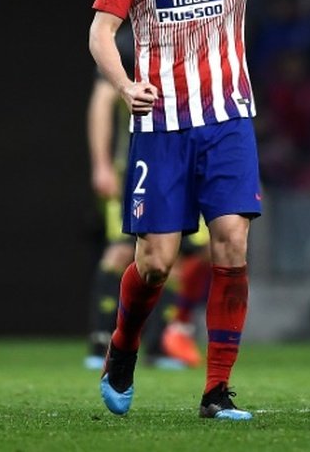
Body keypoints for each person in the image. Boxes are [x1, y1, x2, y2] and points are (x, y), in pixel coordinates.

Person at [89, 0, 310, 420]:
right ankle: (123, 347)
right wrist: (125, 85)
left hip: (226, 121)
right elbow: (101, 33)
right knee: (154, 263)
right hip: (161, 125)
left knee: (231, 244)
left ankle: (216, 392)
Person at [84, 19, 210, 371]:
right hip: (138, 166)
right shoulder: (128, 42)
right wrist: (102, 165)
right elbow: (101, 101)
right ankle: (100, 341)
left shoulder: (201, 31)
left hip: (190, 166)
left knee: (184, 256)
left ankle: (159, 343)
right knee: (124, 249)